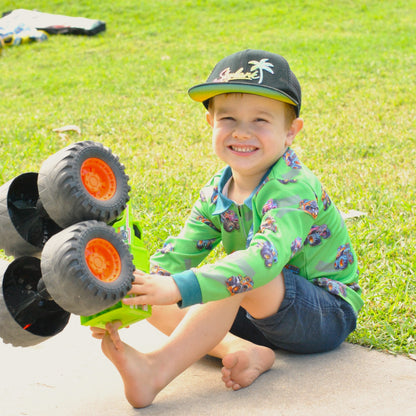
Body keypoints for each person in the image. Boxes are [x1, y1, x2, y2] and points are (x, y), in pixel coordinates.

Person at [91, 49, 363, 408]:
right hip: (253, 314)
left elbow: (262, 263)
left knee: (240, 268)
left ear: (291, 132)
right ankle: (241, 349)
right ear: (210, 124)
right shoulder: (216, 191)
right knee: (144, 284)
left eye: (261, 120)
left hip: (321, 315)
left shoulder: (294, 188)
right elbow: (179, 254)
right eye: (229, 118)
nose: (242, 132)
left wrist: (174, 287)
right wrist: (123, 301)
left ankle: (156, 370)